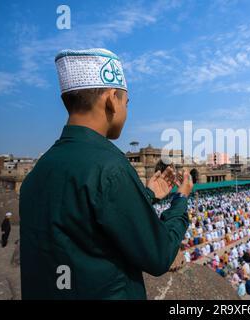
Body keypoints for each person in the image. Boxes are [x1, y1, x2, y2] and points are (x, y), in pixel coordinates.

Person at [19, 48, 194, 300]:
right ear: (112, 99)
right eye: (126, 101)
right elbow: (159, 254)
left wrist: (148, 194)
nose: (125, 109)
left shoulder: (42, 168)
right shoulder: (110, 166)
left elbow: (85, 218)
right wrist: (180, 200)